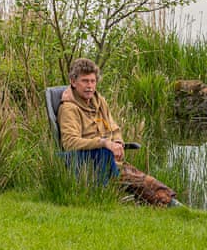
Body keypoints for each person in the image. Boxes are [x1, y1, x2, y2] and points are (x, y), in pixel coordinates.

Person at [57, 57, 178, 206]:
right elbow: (70, 143)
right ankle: (170, 206)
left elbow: (114, 128)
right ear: (73, 82)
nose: (90, 86)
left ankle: (172, 204)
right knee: (143, 184)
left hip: (110, 161)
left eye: (92, 81)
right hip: (88, 162)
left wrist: (118, 141)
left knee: (149, 183)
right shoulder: (69, 109)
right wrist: (104, 143)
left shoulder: (99, 101)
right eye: (85, 81)